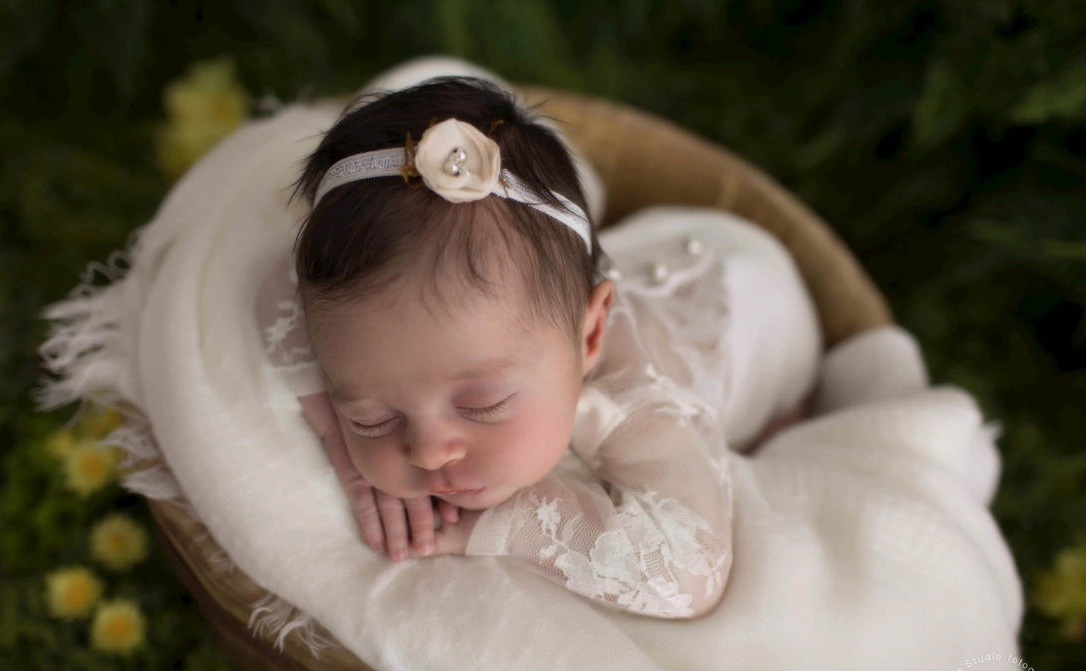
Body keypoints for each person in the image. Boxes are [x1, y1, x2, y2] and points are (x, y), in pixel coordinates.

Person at [256, 64, 822, 619]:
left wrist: (510, 521)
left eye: (483, 404)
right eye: (373, 417)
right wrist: (343, 446)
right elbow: (279, 289)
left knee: (762, 438)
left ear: (591, 335)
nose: (428, 453)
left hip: (754, 297)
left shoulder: (638, 402)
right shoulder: (463, 340)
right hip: (615, 264)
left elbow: (689, 574)